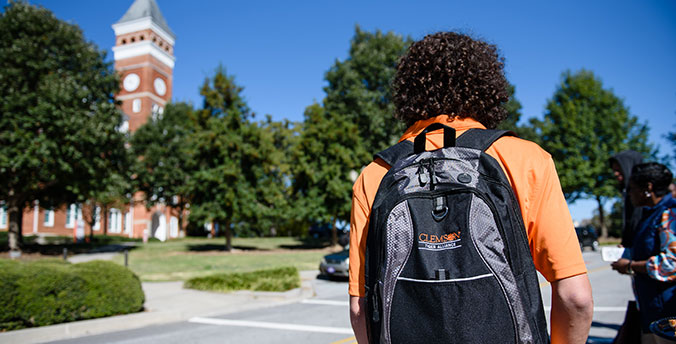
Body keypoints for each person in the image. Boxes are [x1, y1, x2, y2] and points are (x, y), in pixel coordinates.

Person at [348, 32, 593, 343]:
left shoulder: (376, 174)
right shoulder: (524, 158)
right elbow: (576, 298)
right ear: (486, 88)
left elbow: (360, 309)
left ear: (407, 93)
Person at [611, 163, 676, 344]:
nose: (629, 194)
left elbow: (672, 264)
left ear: (648, 188)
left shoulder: (669, 214)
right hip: (651, 311)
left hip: (668, 316)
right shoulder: (650, 215)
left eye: (631, 189)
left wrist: (631, 266)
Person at [609, 151, 644, 248]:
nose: (615, 174)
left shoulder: (649, 199)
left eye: (619, 170)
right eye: (614, 170)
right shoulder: (627, 195)